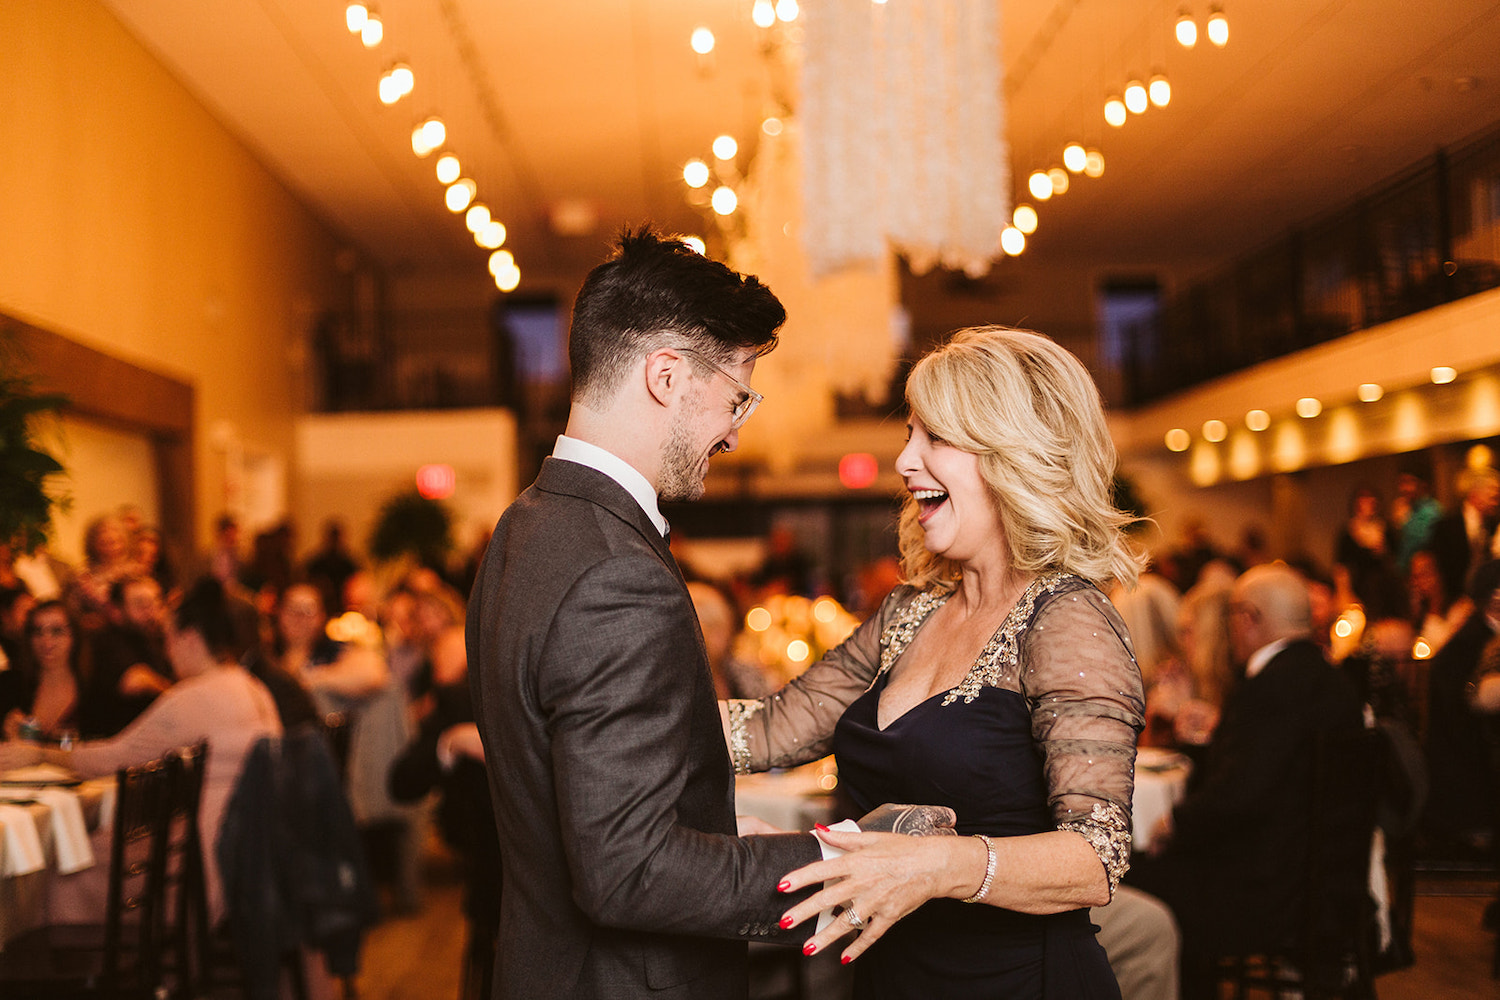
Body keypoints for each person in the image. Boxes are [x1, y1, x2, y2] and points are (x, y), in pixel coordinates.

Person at [731, 327, 1146, 998]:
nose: (904, 461)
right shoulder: (910, 613)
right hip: (893, 979)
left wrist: (936, 867)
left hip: (1016, 983)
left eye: (935, 438)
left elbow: (1093, 858)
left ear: (1013, 455)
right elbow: (769, 729)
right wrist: (596, 717)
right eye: (909, 434)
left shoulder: (1066, 619)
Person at [466, 228, 823, 999]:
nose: (734, 431)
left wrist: (723, 847)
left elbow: (591, 804)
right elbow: (627, 871)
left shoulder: (525, 526)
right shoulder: (616, 575)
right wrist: (832, 865)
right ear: (666, 376)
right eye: (736, 397)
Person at [1127, 564, 1365, 997]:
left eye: (1232, 616)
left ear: (1249, 618)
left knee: (1128, 879)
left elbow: (1239, 797)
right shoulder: (1332, 682)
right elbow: (1274, 774)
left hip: (1265, 894)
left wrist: (1177, 821)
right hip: (1322, 888)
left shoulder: (1269, 687)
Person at [0, 577, 283, 923]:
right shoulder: (251, 687)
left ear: (190, 639)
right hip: (247, 852)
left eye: (167, 639)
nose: (166, 651)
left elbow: (113, 758)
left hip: (202, 864)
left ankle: (71, 972)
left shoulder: (194, 698)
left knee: (56, 869)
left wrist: (41, 754)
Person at [80, 574, 175, 736]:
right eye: (140, 604)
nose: (151, 611)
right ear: (115, 611)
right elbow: (135, 681)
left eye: (155, 602)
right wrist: (177, 695)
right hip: (114, 741)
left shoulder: (160, 639)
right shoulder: (106, 639)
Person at [0, 599, 88, 740]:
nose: (46, 642)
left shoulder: (93, 689)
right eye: (38, 632)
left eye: (57, 631)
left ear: (74, 636)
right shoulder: (9, 684)